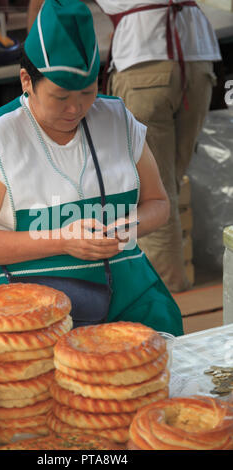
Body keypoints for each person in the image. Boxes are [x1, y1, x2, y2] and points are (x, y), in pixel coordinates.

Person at [0, 0, 183, 336]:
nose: (76, 108)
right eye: (60, 97)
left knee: (158, 347)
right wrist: (60, 241)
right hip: (25, 304)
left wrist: (123, 230)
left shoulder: (117, 119)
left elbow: (158, 204)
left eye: (88, 93)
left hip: (126, 293)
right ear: (26, 80)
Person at [93, 0, 222, 293]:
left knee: (153, 195)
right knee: (169, 187)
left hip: (142, 62)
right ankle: (174, 289)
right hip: (197, 59)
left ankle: (168, 299)